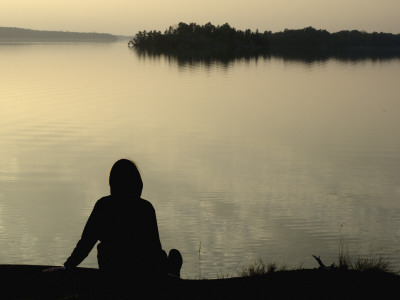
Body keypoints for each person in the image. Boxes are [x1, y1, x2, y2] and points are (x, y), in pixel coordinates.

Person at [45, 159, 182, 294]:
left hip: (111, 271)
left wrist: (67, 267)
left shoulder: (103, 206)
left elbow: (85, 244)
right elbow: (154, 249)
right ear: (137, 183)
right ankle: (170, 274)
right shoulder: (145, 208)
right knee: (169, 256)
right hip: (141, 274)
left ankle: (168, 273)